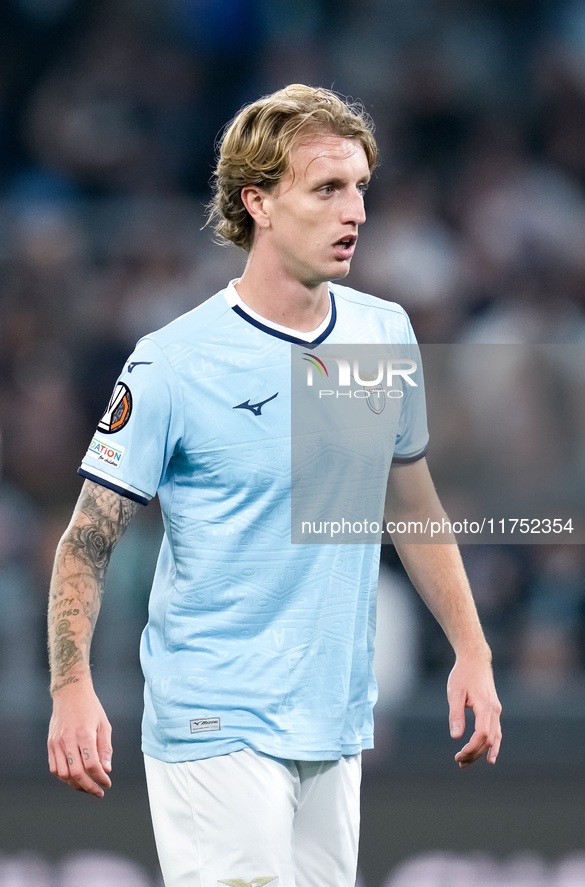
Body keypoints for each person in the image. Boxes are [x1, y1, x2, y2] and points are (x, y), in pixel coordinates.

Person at [47, 84, 502, 887]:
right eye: (327, 188)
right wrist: (73, 685)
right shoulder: (173, 362)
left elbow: (411, 505)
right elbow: (87, 538)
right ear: (256, 200)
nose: (354, 209)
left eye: (360, 185)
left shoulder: (379, 331)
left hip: (330, 719)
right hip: (212, 717)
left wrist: (471, 648)